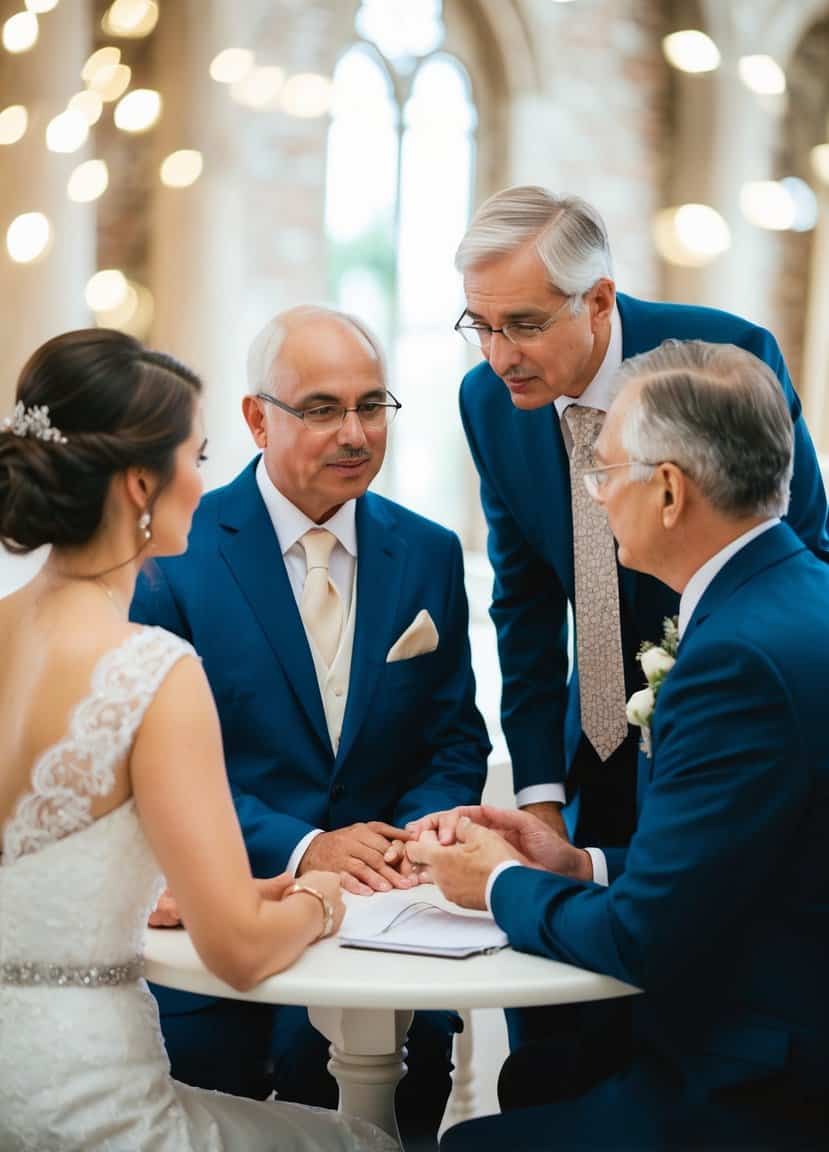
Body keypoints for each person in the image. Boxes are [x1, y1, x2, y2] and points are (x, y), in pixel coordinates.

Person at [453, 185, 829, 1094]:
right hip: (591, 757)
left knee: (680, 1013)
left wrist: (708, 697)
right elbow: (524, 601)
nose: (500, 356)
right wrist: (542, 796)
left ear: (599, 301)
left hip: (726, 727)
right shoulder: (486, 402)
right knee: (548, 1058)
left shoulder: (723, 357)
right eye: (479, 325)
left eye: (524, 325)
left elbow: (800, 545)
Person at [0, 328, 396, 1152]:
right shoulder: (150, 668)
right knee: (367, 1142)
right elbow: (242, 957)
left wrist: (221, 892)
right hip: (89, 1111)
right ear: (142, 483)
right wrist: (322, 900)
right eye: (199, 455)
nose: (206, 482)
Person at [132, 306, 490, 1147]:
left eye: (373, 405)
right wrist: (305, 848)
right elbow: (152, 767)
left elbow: (453, 737)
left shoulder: (428, 552)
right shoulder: (177, 553)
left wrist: (416, 835)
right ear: (258, 418)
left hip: (393, 934)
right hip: (225, 931)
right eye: (321, 409)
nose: (355, 433)